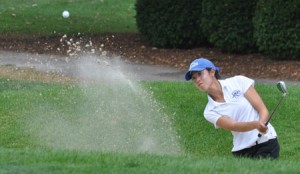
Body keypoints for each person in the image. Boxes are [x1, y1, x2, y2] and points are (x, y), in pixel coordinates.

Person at [185, 58, 280, 159]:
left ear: (212, 72)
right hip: (241, 151)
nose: (197, 80)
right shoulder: (209, 111)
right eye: (194, 78)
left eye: (200, 74)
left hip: (266, 143)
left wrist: (261, 124)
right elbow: (234, 126)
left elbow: (263, 110)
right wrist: (256, 124)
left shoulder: (238, 81)